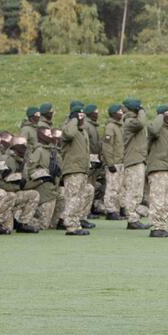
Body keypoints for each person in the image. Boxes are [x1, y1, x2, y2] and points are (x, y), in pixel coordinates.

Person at [59, 101, 94, 236]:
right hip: (73, 168)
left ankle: (76, 223)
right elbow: (69, 134)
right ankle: (71, 225)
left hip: (81, 168)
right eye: (78, 114)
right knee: (72, 198)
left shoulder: (82, 130)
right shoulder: (68, 127)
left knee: (79, 198)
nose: (81, 117)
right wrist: (73, 119)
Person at [0, 136, 40, 233]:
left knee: (34, 194)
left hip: (15, 193)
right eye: (22, 145)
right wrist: (17, 186)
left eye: (25, 145)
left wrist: (40, 181)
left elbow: (24, 183)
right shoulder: (6, 159)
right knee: (8, 228)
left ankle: (23, 223)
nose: (25, 148)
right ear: (14, 146)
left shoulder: (22, 161)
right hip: (6, 195)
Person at [23, 127, 60, 229]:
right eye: (48, 135)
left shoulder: (53, 151)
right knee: (43, 224)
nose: (51, 137)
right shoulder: (38, 151)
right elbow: (30, 170)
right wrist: (45, 174)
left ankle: (57, 222)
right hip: (43, 187)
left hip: (53, 187)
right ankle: (22, 220)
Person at [121, 98, 150, 229]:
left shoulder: (131, 120)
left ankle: (134, 217)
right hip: (134, 160)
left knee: (137, 191)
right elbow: (142, 123)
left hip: (137, 159)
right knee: (133, 191)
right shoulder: (130, 121)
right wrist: (142, 111)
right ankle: (132, 219)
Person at [145, 105, 168, 238]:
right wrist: (160, 115)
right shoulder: (156, 129)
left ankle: (161, 226)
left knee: (167, 201)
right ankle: (156, 227)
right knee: (158, 199)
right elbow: (154, 129)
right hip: (158, 168)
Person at [102, 104, 125, 221]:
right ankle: (111, 210)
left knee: (120, 188)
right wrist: (110, 163)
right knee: (112, 187)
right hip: (114, 163)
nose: (121, 112)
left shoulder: (120, 126)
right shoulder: (110, 127)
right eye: (119, 111)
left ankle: (118, 208)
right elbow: (107, 146)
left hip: (121, 162)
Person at [84, 104, 105, 217]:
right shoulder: (87, 126)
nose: (97, 114)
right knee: (88, 184)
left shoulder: (92, 126)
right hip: (90, 159)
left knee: (92, 184)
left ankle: (90, 208)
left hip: (95, 159)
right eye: (95, 112)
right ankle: (86, 211)